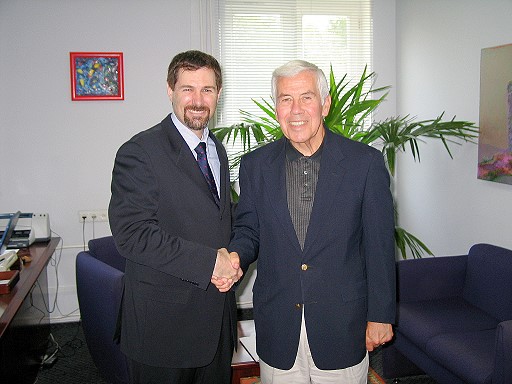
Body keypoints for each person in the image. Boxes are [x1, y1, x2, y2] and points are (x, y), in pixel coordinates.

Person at [226, 60, 396, 383]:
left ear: (325, 104)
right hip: (278, 326)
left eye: (306, 97)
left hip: (341, 326)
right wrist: (234, 257)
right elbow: (248, 230)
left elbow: (379, 246)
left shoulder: (365, 164)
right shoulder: (254, 167)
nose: (296, 110)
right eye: (285, 99)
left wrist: (381, 315)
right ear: (276, 108)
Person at [109, 50, 242, 384]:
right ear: (170, 90)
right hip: (163, 330)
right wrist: (211, 263)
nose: (197, 100)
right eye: (187, 89)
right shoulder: (139, 152)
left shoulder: (218, 150)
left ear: (218, 94)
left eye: (207, 90)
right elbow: (133, 235)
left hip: (215, 320)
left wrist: (234, 258)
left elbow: (215, 220)